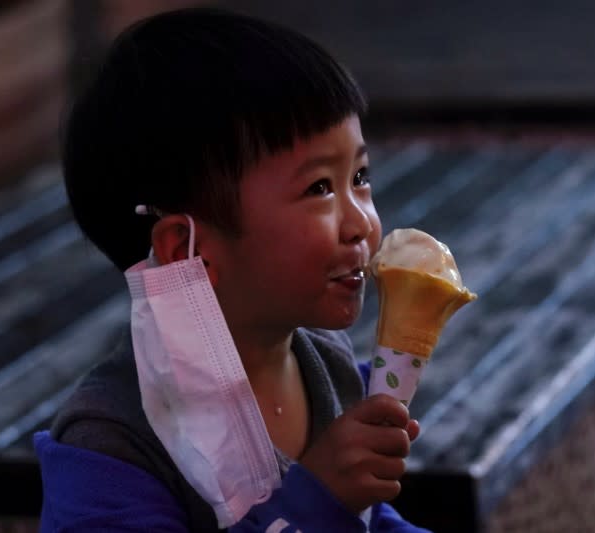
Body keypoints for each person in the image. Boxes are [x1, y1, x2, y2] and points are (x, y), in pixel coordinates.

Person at [34, 7, 430, 532]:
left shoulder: (328, 365)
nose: (361, 223)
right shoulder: (113, 444)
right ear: (185, 248)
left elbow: (370, 521)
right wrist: (316, 501)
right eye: (318, 188)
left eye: (359, 176)